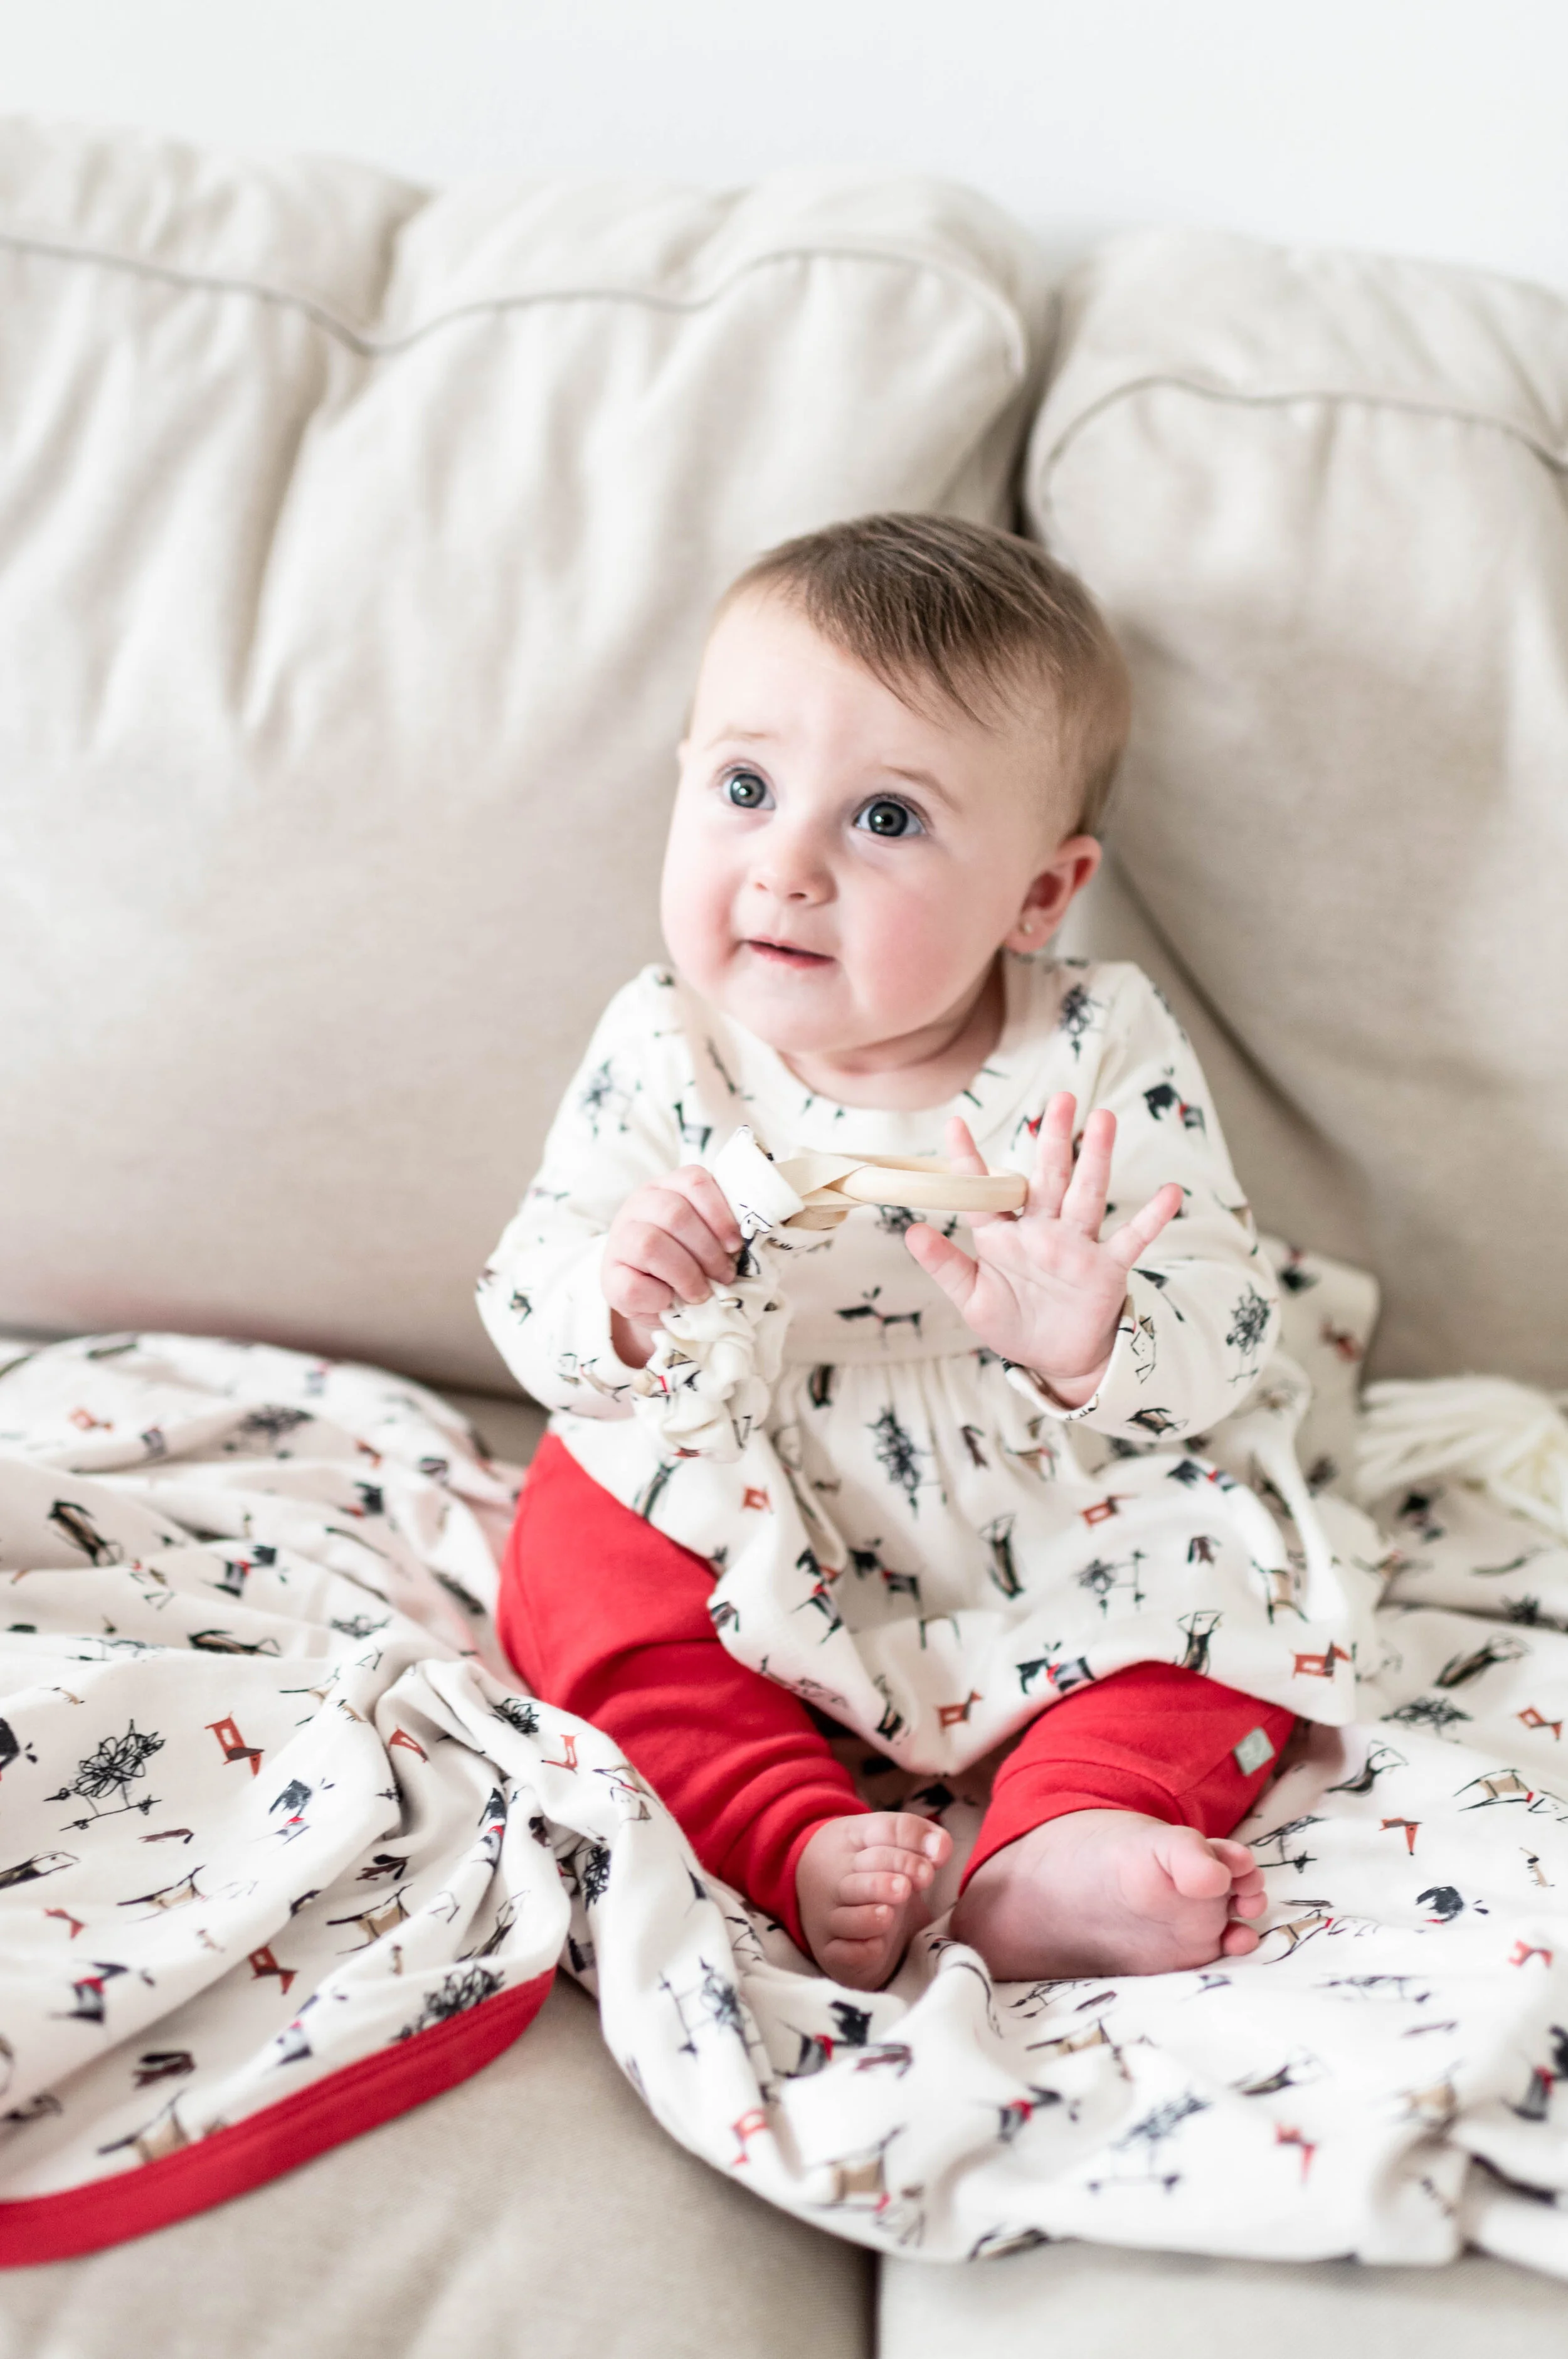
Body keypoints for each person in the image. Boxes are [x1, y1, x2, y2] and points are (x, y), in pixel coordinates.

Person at [479, 513, 1308, 1991]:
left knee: (1224, 1585)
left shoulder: (1096, 1042)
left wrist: (1090, 1337)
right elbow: (529, 1280)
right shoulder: (665, 1045)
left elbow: (1225, 1317)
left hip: (1047, 1480)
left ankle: (1066, 1831)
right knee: (575, 1546)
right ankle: (775, 1826)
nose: (785, 865)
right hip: (744, 1466)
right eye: (744, 787)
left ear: (1040, 895)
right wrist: (613, 1303)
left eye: (884, 818)